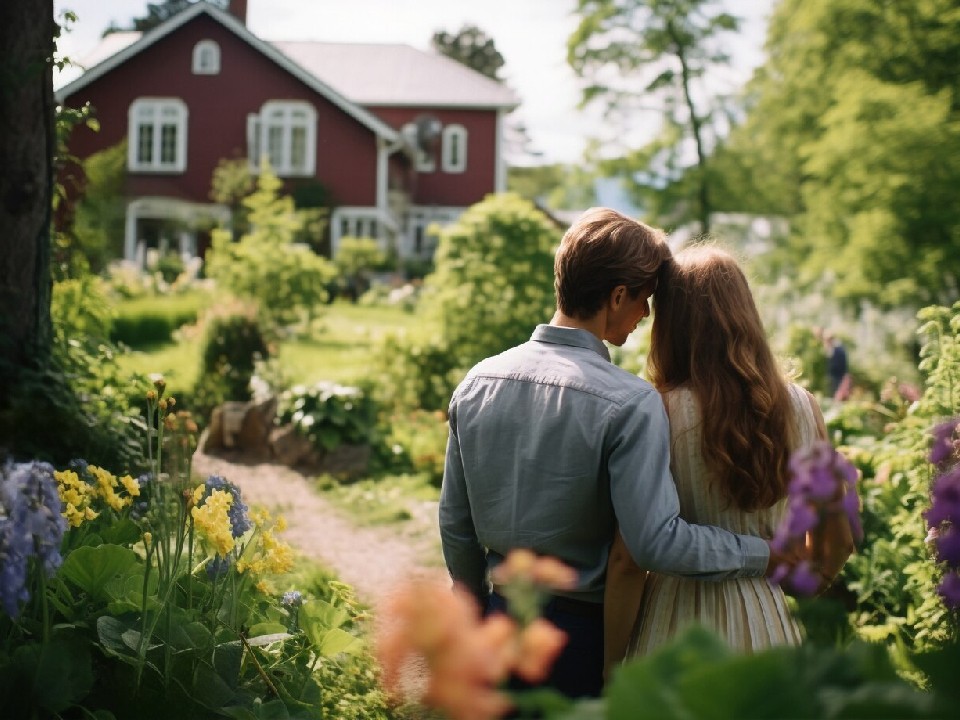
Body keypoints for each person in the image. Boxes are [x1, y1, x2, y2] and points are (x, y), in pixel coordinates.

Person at [439, 209, 793, 700]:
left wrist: (477, 615)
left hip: (498, 620)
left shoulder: (478, 382)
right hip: (578, 637)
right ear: (618, 295)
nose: (646, 316)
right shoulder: (629, 403)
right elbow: (654, 543)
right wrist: (763, 553)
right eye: (644, 300)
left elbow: (456, 525)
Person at [605, 246, 855, 669]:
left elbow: (628, 560)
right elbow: (839, 540)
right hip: (767, 626)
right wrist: (794, 584)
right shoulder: (803, 407)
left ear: (671, 323)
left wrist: (611, 666)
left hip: (673, 629)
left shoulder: (657, 410)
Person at [823, 332, 852, 401]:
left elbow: (838, 365)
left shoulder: (838, 350)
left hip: (838, 376)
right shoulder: (837, 349)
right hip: (837, 376)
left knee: (838, 395)